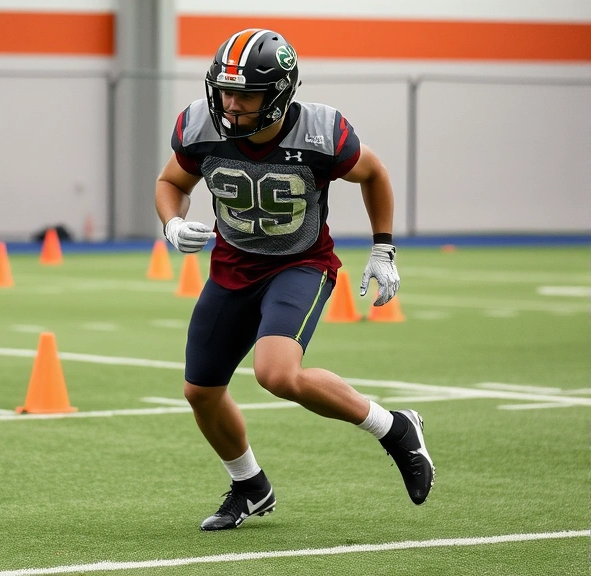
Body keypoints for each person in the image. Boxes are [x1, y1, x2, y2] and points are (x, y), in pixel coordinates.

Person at [155, 28, 434, 531]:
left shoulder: (321, 133)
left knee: (277, 373)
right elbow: (171, 181)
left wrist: (383, 248)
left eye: (246, 94)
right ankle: (250, 486)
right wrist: (172, 222)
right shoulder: (200, 126)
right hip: (232, 265)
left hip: (298, 264)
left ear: (280, 94)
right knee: (201, 391)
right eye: (225, 90)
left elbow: (373, 173)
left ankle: (393, 428)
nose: (231, 103)